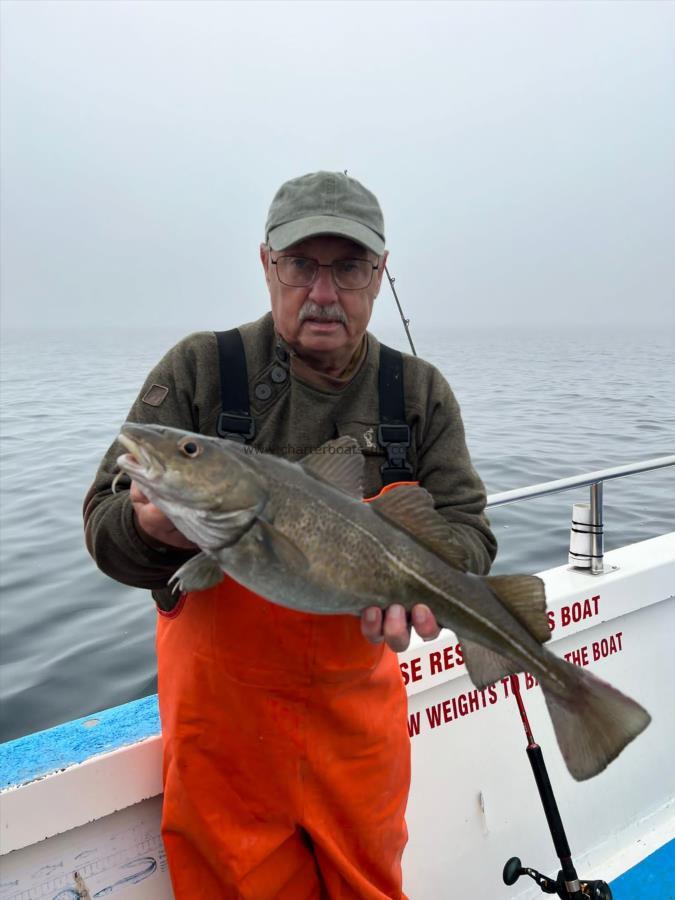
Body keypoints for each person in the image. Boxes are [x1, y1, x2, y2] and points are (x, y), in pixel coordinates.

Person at [84, 171, 497, 899]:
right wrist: (159, 527)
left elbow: (467, 528)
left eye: (348, 267)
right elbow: (104, 525)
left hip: (354, 723)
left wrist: (430, 584)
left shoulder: (418, 391)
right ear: (266, 264)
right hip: (223, 737)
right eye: (302, 264)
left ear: (380, 273)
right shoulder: (201, 370)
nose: (324, 291)